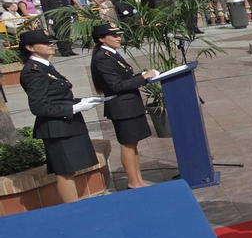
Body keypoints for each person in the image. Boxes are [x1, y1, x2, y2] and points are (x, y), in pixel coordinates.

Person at [18, 29, 99, 203]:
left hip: (66, 126)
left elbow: (56, 97)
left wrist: (81, 101)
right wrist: (74, 109)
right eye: (45, 43)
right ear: (30, 47)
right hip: (57, 128)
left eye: (51, 42)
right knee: (66, 171)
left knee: (72, 169)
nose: (51, 45)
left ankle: (74, 204)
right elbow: (38, 107)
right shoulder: (33, 71)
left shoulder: (44, 67)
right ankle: (73, 209)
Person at [88, 23, 158, 190]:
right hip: (122, 107)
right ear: (101, 39)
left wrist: (140, 76)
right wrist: (142, 78)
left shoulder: (111, 54)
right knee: (127, 144)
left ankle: (138, 180)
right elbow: (116, 85)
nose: (118, 38)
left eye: (119, 35)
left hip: (129, 104)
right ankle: (133, 182)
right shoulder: (102, 58)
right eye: (114, 36)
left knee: (133, 144)